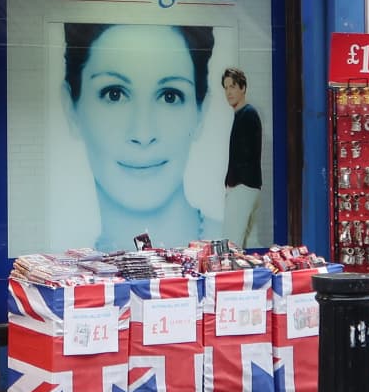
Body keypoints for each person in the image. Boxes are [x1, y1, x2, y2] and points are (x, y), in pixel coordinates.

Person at [62, 23, 214, 250]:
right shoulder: (66, 260)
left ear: (202, 111)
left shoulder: (235, 246)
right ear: (71, 108)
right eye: (114, 94)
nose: (143, 134)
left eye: (170, 96)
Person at [222, 67, 264, 247]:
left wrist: (233, 184)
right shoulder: (242, 114)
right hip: (245, 186)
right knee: (238, 242)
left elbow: (246, 155)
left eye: (232, 86)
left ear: (243, 88)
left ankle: (231, 274)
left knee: (232, 243)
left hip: (243, 186)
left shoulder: (248, 114)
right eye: (226, 88)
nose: (228, 92)